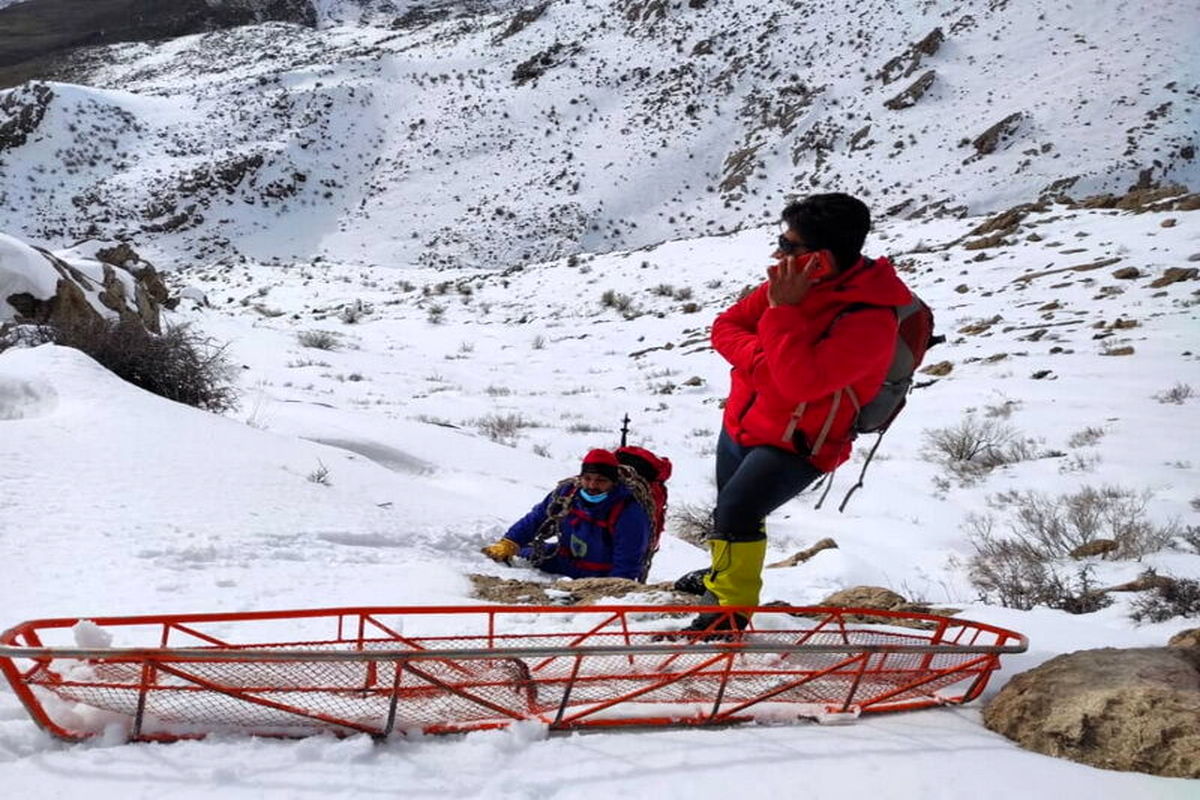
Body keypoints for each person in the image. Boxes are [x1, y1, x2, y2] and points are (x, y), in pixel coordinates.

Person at [681, 193, 912, 633]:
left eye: (789, 246)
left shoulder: (869, 318)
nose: (778, 253)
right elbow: (725, 326)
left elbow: (801, 384)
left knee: (737, 512)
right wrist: (766, 361)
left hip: (800, 443)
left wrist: (782, 314)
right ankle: (722, 586)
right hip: (743, 424)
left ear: (821, 258)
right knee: (730, 515)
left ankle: (727, 615)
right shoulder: (787, 283)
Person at [481, 449, 652, 580]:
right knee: (516, 554)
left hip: (598, 576)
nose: (592, 485)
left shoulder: (629, 512)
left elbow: (628, 562)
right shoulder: (567, 494)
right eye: (587, 478)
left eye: (601, 480)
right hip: (562, 560)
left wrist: (611, 592)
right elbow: (538, 518)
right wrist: (510, 542)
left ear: (613, 482)